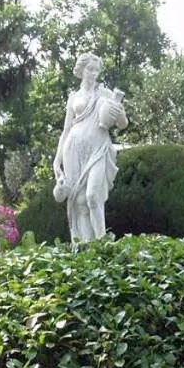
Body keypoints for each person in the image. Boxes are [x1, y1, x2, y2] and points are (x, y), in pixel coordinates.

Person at [53, 53, 128, 242]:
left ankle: (102, 245)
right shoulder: (73, 97)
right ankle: (84, 248)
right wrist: (56, 162)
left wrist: (118, 113)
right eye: (90, 69)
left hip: (98, 149)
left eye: (97, 70)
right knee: (79, 202)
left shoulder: (106, 94)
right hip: (73, 151)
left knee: (93, 196)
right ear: (81, 70)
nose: (94, 73)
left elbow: (123, 123)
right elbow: (66, 130)